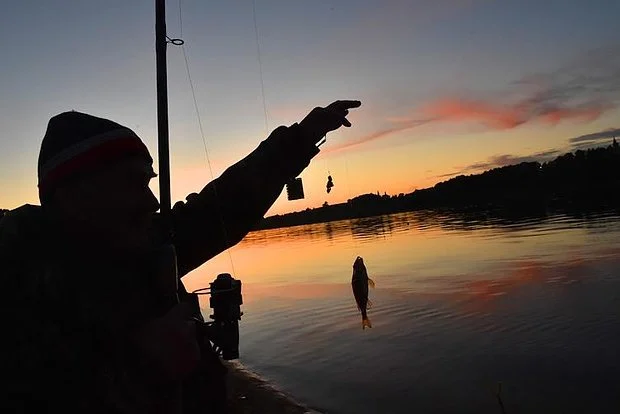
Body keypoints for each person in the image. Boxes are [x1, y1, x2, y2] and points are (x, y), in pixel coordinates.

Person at [0, 100, 361, 413]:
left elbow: (222, 208)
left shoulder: (140, 243)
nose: (152, 202)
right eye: (132, 183)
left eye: (149, 182)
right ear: (73, 196)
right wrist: (143, 367)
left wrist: (301, 139)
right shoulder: (17, 287)